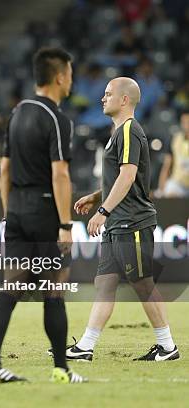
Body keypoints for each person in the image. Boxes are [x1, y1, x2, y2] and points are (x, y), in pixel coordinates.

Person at [0, 47, 85, 384]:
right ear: (59, 77)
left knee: (10, 288)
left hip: (17, 211)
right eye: (69, 73)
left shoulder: (18, 112)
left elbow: (4, 169)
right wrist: (66, 224)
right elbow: (60, 175)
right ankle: (61, 370)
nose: (71, 79)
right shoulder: (56, 118)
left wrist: (9, 214)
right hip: (43, 210)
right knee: (55, 289)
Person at [67, 77, 180, 362]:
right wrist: (96, 197)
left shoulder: (129, 130)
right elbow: (120, 177)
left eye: (107, 94)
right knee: (105, 284)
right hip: (119, 222)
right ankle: (86, 347)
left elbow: (129, 176)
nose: (102, 99)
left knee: (143, 283)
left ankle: (167, 347)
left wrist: (102, 211)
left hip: (132, 221)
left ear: (124, 100)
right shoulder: (119, 132)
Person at [156, 109, 189, 198]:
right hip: (179, 183)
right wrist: (161, 188)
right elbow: (167, 165)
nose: (187, 125)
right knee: (170, 192)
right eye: (184, 122)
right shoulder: (175, 140)